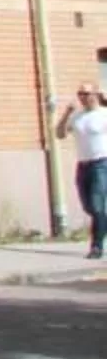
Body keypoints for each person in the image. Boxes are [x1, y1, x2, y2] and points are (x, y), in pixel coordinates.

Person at [56, 83, 107, 258]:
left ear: (95, 94)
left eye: (85, 93)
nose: (82, 97)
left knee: (97, 205)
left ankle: (96, 247)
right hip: (83, 165)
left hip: (102, 164)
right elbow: (60, 134)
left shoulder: (103, 114)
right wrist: (66, 114)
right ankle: (102, 226)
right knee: (88, 207)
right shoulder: (77, 116)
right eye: (80, 93)